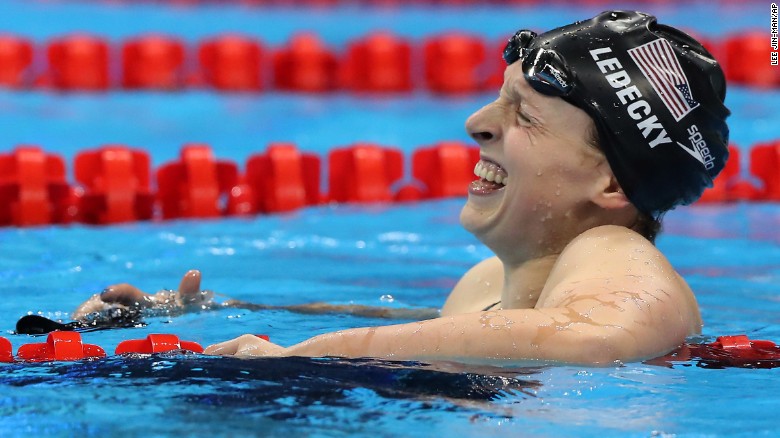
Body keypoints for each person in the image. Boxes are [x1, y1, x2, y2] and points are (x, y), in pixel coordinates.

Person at [73, 10, 730, 365]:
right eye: (496, 102)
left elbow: (594, 339)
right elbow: (442, 331)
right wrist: (218, 311)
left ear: (612, 180)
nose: (477, 124)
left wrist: (313, 356)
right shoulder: (487, 286)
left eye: (522, 115)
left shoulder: (618, 253)